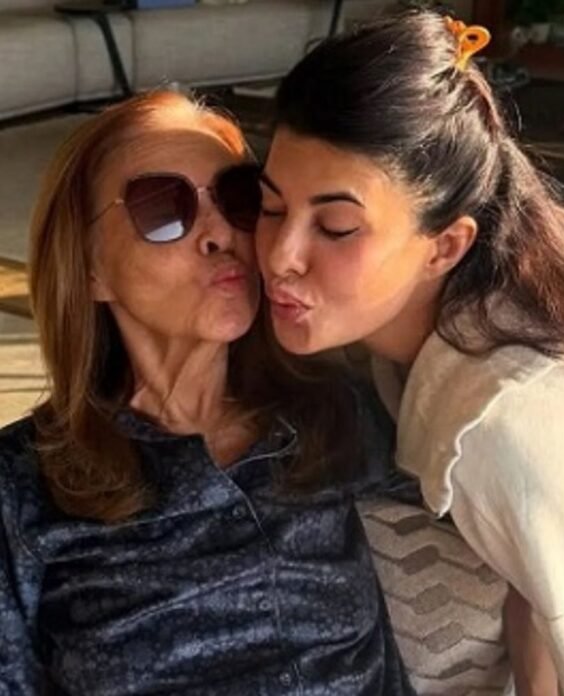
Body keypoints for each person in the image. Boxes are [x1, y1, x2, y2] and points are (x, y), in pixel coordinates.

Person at [255, 11, 564, 696]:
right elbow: (538, 582)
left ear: (446, 246)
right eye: (270, 208)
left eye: (336, 227)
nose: (281, 256)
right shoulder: (492, 287)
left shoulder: (506, 438)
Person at [0, 90, 415, 695]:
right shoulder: (21, 486)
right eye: (162, 207)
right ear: (90, 268)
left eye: (240, 199)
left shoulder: (334, 414)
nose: (220, 232)